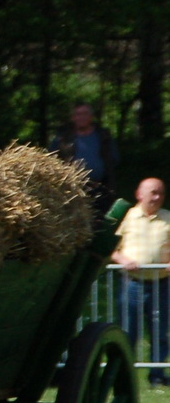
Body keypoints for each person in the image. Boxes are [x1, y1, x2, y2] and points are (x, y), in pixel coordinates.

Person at [113, 177, 169, 388]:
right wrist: (122, 260)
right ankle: (122, 376)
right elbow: (112, 248)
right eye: (153, 192)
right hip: (132, 284)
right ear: (139, 194)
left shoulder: (168, 218)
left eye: (161, 193)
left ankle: (157, 375)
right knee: (127, 332)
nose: (157, 197)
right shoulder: (126, 217)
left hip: (161, 284)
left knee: (160, 332)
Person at [49, 104, 120, 209]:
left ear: (91, 116)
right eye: (78, 114)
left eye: (85, 114)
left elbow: (114, 159)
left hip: (101, 188)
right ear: (73, 117)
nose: (82, 117)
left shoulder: (103, 136)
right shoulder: (63, 138)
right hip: (73, 190)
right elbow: (51, 159)